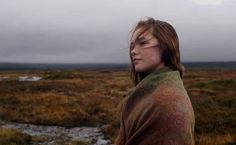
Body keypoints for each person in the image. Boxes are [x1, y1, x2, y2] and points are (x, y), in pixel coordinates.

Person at [115, 17, 195, 145]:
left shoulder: (168, 102)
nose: (133, 51)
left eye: (143, 43)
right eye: (132, 46)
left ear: (165, 46)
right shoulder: (152, 91)